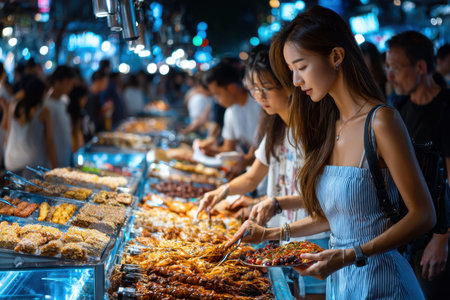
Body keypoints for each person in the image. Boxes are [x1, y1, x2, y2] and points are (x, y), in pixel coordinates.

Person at [226, 6, 435, 299]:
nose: (296, 81)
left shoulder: (381, 121)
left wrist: (350, 254)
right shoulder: (329, 126)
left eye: (301, 67)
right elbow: (335, 217)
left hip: (384, 283)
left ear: (336, 57)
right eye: (291, 71)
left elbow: (424, 215)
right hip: (342, 283)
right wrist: (269, 234)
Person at [198, 44, 328, 299]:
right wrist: (221, 192)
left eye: (266, 88)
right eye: (254, 89)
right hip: (285, 236)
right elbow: (253, 176)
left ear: (289, 84)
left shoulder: (314, 131)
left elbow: (321, 198)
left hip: (316, 236)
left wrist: (271, 203)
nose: (260, 97)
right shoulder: (276, 128)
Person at [385, 30, 450, 299]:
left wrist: (442, 239)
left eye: (396, 68)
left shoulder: (446, 108)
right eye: (387, 67)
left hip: (436, 231)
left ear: (421, 67)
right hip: (407, 231)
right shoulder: (398, 107)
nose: (390, 76)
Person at [200, 60, 262, 180]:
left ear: (232, 88)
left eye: (217, 94)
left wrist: (246, 160)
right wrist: (210, 149)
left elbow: (264, 152)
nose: (216, 100)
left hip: (264, 179)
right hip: (249, 177)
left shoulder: (260, 105)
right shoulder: (230, 112)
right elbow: (228, 148)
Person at [4, 77, 57, 172]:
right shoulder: (44, 111)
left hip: (11, 160)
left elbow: (8, 133)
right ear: (41, 93)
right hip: (32, 163)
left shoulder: (13, 106)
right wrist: (55, 168)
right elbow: (50, 141)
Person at [45, 65, 76, 167]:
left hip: (65, 157)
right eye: (68, 83)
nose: (71, 87)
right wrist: (54, 164)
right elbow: (48, 138)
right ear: (58, 82)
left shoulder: (64, 101)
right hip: (52, 163)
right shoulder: (46, 105)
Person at [86, 70, 112, 134]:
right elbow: (92, 117)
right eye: (105, 81)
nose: (106, 84)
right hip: (93, 133)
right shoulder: (90, 96)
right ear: (97, 81)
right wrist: (104, 110)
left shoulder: (97, 95)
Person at [68, 85, 93, 152]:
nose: (85, 100)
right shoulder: (74, 114)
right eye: (84, 98)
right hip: (76, 149)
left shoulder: (80, 112)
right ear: (79, 99)